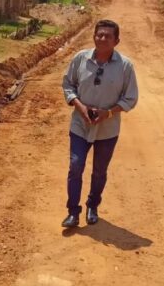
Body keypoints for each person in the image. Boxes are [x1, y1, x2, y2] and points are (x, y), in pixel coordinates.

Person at [61, 20, 138, 227]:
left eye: (107, 36)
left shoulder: (125, 66)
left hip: (107, 128)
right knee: (75, 166)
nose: (102, 39)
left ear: (117, 41)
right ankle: (73, 212)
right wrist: (80, 106)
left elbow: (130, 98)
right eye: (99, 35)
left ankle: (92, 205)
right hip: (80, 123)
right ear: (94, 36)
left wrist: (109, 113)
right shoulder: (80, 59)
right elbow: (68, 85)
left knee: (99, 170)